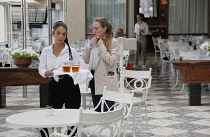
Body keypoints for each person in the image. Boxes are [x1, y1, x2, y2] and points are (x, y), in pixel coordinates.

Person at [38, 21, 80, 136]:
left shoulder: (72, 51)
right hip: (54, 84)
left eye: (64, 34)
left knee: (73, 117)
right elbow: (41, 68)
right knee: (50, 115)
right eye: (58, 33)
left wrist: (72, 72)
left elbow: (77, 69)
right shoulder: (46, 51)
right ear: (53, 33)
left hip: (71, 85)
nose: (61, 36)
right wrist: (48, 73)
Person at [83, 17, 119, 112]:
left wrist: (101, 46)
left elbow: (111, 61)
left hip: (106, 81)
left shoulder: (113, 42)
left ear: (104, 28)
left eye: (96, 28)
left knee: (107, 112)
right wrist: (88, 46)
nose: (94, 31)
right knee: (97, 111)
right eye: (93, 28)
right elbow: (86, 60)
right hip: (94, 79)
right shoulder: (94, 42)